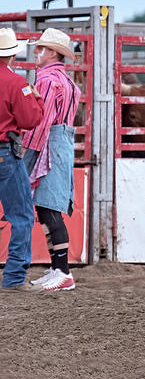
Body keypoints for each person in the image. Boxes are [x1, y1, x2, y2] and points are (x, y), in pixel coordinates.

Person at [22, 28, 81, 291]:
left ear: (53, 53)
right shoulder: (67, 81)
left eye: (41, 49)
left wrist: (27, 154)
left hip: (50, 143)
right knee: (49, 206)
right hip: (63, 140)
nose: (36, 52)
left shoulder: (47, 80)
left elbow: (40, 122)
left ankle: (63, 271)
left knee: (47, 207)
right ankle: (58, 268)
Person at [0, 28, 44, 291]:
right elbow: (31, 120)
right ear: (13, 55)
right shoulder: (17, 84)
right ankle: (14, 278)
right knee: (22, 216)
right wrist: (36, 100)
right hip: (5, 153)